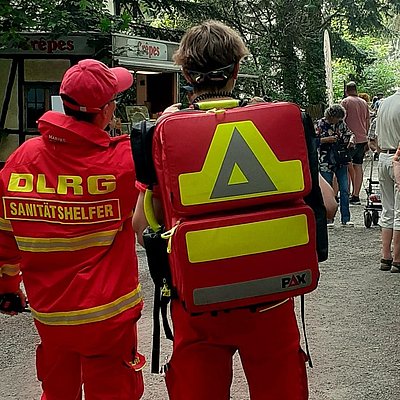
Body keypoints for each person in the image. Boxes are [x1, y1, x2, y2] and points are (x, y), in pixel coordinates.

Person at [133, 20, 327, 400]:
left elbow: (142, 227)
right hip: (270, 301)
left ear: (186, 75)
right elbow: (329, 205)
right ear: (237, 69)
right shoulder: (272, 122)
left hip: (198, 305)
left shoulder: (163, 131)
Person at [0, 59, 145, 399]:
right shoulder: (123, 161)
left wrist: (8, 286)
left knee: (58, 390)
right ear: (105, 111)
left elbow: (5, 237)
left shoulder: (21, 160)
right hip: (109, 318)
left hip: (52, 318)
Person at [316, 104, 355, 227]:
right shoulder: (320, 124)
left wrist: (351, 140)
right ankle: (328, 218)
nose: (339, 121)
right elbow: (313, 141)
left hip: (341, 160)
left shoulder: (341, 124)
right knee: (327, 191)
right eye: (337, 118)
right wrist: (326, 140)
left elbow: (350, 134)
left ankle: (346, 218)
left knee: (344, 189)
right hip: (325, 160)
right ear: (331, 116)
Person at [375, 90, 400, 272]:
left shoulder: (384, 103)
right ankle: (398, 259)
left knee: (387, 209)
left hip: (383, 156)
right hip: (397, 159)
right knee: (399, 211)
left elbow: (376, 136)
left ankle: (386, 256)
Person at [341, 81, 370, 205]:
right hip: (362, 138)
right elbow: (367, 121)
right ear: (356, 90)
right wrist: (366, 136)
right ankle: (356, 195)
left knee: (347, 166)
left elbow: (341, 120)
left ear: (346, 90)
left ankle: (346, 193)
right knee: (358, 166)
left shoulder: (345, 102)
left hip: (350, 140)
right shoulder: (364, 103)